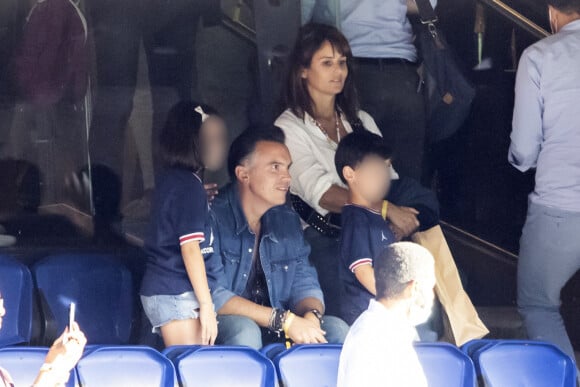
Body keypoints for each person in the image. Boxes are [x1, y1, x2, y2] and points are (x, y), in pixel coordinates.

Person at [275, 22, 439, 317]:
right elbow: (323, 194)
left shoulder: (360, 120)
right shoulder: (288, 128)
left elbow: (389, 180)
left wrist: (393, 219)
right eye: (327, 63)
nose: (338, 71)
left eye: (342, 63)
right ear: (302, 70)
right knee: (356, 314)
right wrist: (387, 209)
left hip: (375, 232)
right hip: (325, 239)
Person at [205, 126, 349, 349]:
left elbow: (305, 281)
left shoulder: (286, 219)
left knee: (335, 329)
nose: (287, 177)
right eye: (275, 167)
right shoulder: (212, 215)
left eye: (287, 168)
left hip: (280, 325)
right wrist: (285, 320)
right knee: (246, 330)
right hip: (226, 325)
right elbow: (214, 296)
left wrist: (311, 316)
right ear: (243, 174)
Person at [508, 0, 580, 369]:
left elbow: (523, 149)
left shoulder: (539, 56)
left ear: (552, 13)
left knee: (538, 303)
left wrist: (521, 162)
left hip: (560, 207)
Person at [302, 0, 437, 182]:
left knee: (353, 174)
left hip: (348, 73)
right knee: (406, 176)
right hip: (402, 74)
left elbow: (299, 15)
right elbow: (423, 5)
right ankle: (404, 209)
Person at [140, 101, 218, 347]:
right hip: (176, 293)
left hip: (168, 290)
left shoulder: (176, 181)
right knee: (190, 372)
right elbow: (190, 248)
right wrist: (206, 306)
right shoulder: (187, 186)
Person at [337, 242, 436, 387]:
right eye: (430, 287)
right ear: (413, 288)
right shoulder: (372, 339)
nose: (432, 295)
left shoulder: (388, 330)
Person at [334, 131, 397, 325]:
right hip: (367, 313)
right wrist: (392, 300)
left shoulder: (373, 215)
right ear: (349, 174)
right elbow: (363, 270)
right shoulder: (356, 220)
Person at [0, 294, 87, 387]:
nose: (2, 311)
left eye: (1, 299)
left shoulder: (3, 375)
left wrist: (56, 364)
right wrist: (52, 371)